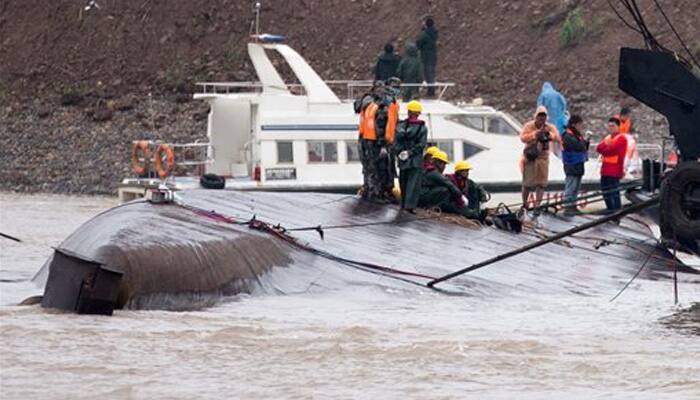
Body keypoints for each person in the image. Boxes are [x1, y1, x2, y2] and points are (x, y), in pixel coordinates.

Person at [360, 83, 400, 203]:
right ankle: (377, 194)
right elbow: (381, 124)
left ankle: (372, 191)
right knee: (378, 168)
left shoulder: (369, 103)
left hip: (368, 138)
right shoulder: (383, 105)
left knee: (371, 168)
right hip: (377, 141)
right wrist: (382, 143)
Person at [520, 105, 561, 211]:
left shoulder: (550, 127)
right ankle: (525, 204)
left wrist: (548, 135)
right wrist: (535, 135)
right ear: (535, 116)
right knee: (527, 183)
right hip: (530, 157)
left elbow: (557, 137)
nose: (541, 118)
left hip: (543, 158)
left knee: (541, 184)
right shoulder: (529, 126)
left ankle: (537, 205)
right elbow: (522, 137)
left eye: (544, 116)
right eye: (539, 116)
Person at [419, 151, 476, 218]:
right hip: (423, 198)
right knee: (445, 190)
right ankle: (434, 207)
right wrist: (461, 197)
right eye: (444, 164)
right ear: (438, 163)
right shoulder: (434, 173)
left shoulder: (429, 170)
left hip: (424, 196)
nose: (444, 167)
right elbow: (449, 185)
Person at [394, 100, 428, 212]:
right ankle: (410, 206)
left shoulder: (401, 125)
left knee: (403, 182)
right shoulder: (422, 128)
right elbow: (421, 145)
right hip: (415, 160)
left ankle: (403, 205)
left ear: (408, 112)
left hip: (403, 160)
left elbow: (396, 142)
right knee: (413, 185)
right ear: (418, 113)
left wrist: (400, 153)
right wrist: (410, 153)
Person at [354, 81, 384, 198]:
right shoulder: (372, 103)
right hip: (370, 139)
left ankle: (368, 189)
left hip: (365, 137)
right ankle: (373, 192)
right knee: (372, 166)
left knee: (368, 166)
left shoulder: (365, 101)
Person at [596, 117, 628, 212]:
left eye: (613, 126)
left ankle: (616, 210)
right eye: (609, 126)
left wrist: (605, 146)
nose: (611, 128)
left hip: (614, 170)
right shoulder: (609, 138)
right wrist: (606, 146)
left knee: (613, 191)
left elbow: (609, 150)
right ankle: (610, 209)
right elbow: (599, 148)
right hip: (605, 169)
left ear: (618, 127)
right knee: (605, 191)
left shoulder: (621, 138)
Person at [561, 115, 590, 214]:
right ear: (574, 124)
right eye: (579, 124)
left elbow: (583, 147)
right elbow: (578, 146)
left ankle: (573, 206)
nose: (581, 126)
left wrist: (586, 141)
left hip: (578, 165)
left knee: (576, 188)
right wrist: (584, 141)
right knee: (571, 187)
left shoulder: (576, 135)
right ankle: (568, 207)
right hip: (571, 165)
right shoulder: (567, 136)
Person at [416, 16, 438, 97]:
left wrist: (422, 31)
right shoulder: (435, 33)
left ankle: (430, 92)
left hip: (425, 56)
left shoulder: (424, 34)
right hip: (433, 55)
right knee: (431, 73)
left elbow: (418, 44)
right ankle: (431, 91)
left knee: (427, 74)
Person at [616, 106, 640, 175]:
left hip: (626, 140)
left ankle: (632, 167)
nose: (628, 117)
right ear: (622, 115)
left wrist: (634, 134)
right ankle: (625, 167)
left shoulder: (628, 121)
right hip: (618, 139)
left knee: (633, 147)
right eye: (627, 115)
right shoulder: (615, 120)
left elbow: (630, 130)